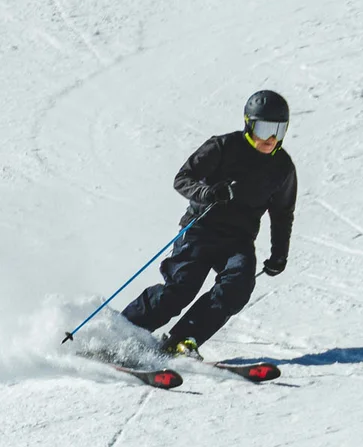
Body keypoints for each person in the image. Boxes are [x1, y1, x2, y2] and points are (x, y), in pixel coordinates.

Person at [120, 90, 297, 355]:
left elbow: (282, 213)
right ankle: (122, 330)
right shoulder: (223, 147)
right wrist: (207, 193)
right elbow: (183, 178)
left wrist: (279, 254)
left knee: (237, 286)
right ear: (249, 124)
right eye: (264, 129)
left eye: (278, 130)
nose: (271, 138)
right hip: (201, 230)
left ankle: (182, 340)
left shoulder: (282, 167)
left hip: (239, 240)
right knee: (181, 288)